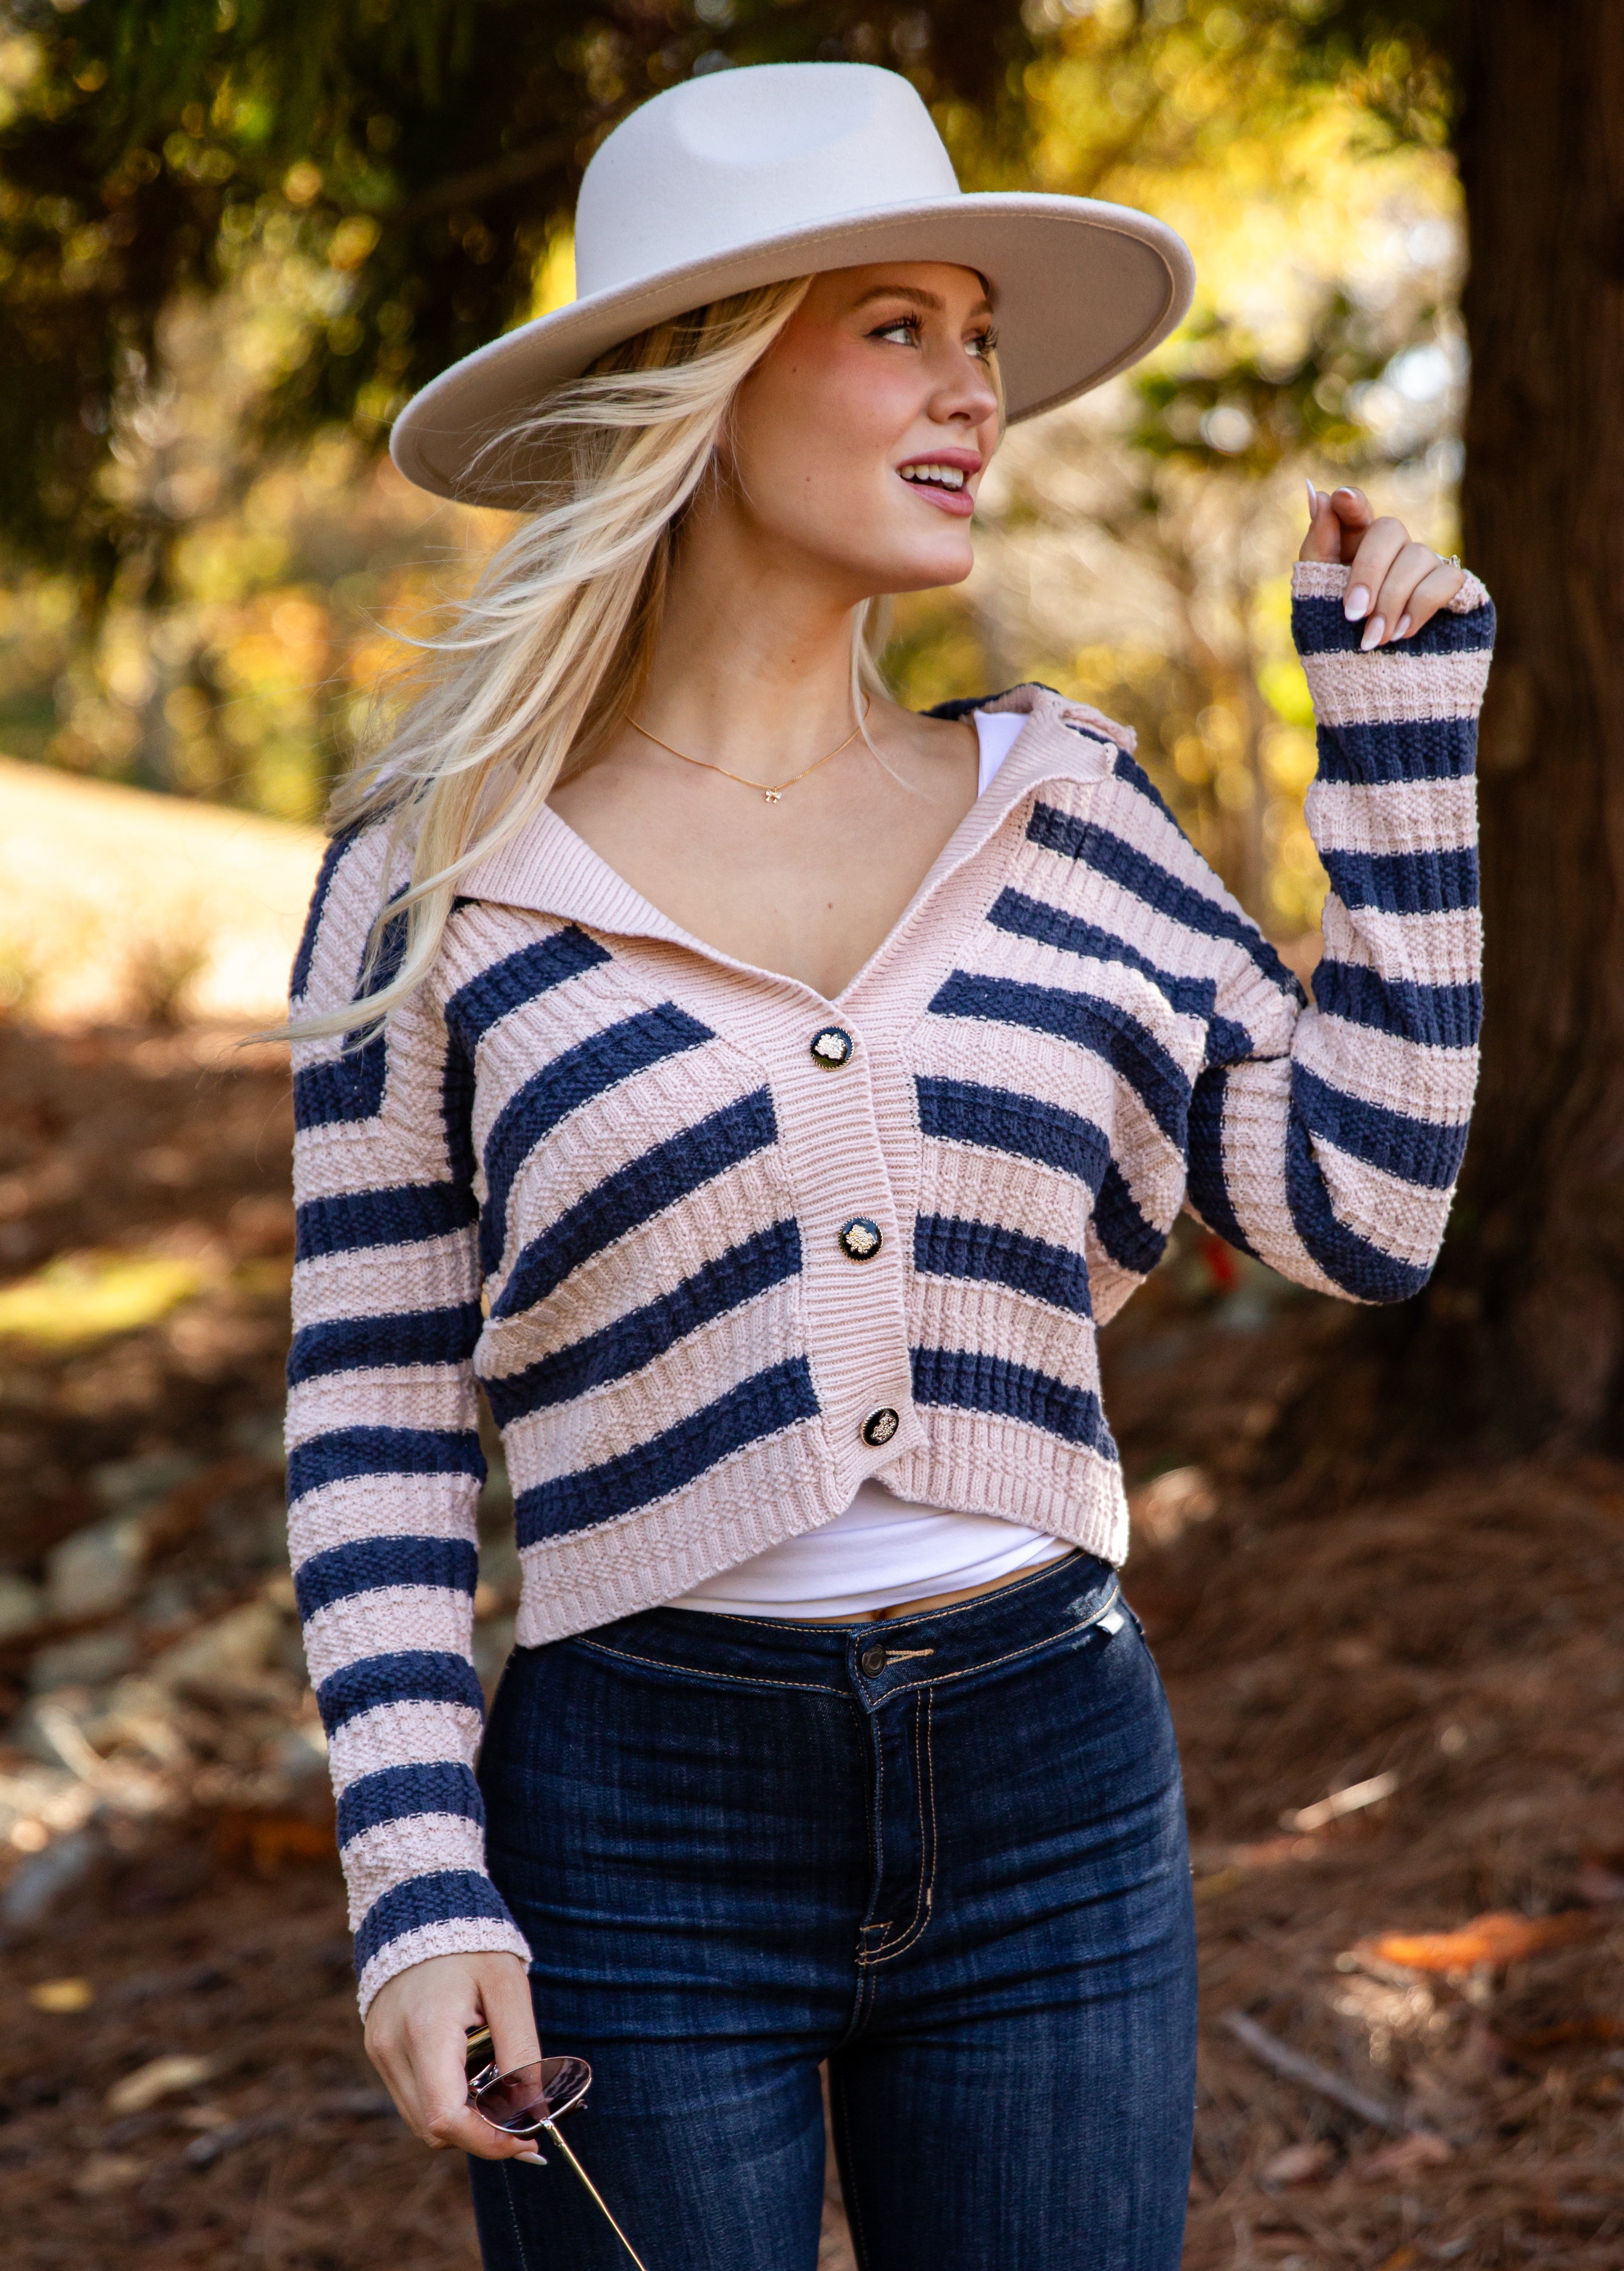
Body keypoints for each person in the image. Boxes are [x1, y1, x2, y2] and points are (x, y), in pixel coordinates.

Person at [283, 60, 1493, 2271]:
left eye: (983, 336)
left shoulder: (1061, 816)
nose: (975, 393)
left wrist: (1396, 747)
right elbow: (371, 1401)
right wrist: (412, 1877)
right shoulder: (432, 882)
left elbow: (1365, 1208)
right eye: (898, 328)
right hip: (626, 1814)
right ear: (705, 380)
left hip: (1049, 1776)